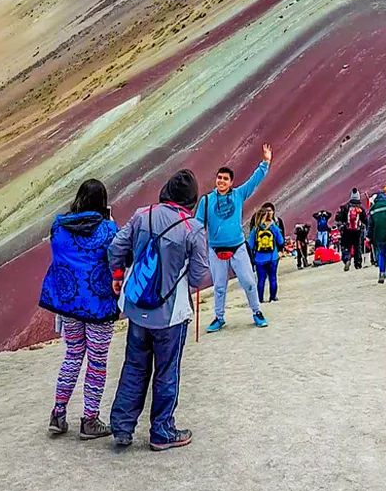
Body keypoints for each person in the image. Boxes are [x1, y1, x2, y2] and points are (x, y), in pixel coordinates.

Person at [107, 169, 210, 451]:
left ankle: (122, 427)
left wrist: (118, 276)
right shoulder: (193, 228)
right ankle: (162, 431)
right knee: (167, 370)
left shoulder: (143, 214)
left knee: (134, 366)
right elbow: (200, 274)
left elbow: (116, 246)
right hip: (171, 314)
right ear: (191, 199)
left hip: (138, 307)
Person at [38, 178, 121, 440]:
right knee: (96, 362)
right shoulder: (108, 230)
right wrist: (110, 221)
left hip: (68, 303)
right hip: (98, 305)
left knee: (73, 355)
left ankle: (58, 413)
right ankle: (90, 419)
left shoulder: (58, 227)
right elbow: (116, 255)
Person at [195, 145, 272, 331]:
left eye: (225, 179)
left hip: (237, 247)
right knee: (219, 287)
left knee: (248, 282)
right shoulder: (205, 201)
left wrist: (265, 162)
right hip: (215, 249)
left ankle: (257, 311)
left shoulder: (238, 194)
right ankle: (219, 317)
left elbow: (254, 181)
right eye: (219, 178)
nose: (221, 181)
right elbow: (197, 226)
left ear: (231, 182)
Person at [248, 207, 284, 304]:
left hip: (259, 259)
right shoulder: (274, 228)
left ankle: (260, 299)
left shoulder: (255, 229)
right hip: (273, 257)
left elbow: (250, 245)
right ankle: (272, 297)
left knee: (261, 280)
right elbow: (281, 241)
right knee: (273, 278)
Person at [338, 190, 367, 271]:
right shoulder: (360, 208)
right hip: (357, 231)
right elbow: (365, 219)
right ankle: (358, 263)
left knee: (346, 246)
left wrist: (341, 226)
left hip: (347, 231)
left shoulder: (346, 207)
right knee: (357, 247)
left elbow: (339, 218)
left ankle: (347, 259)